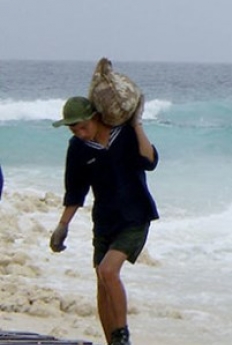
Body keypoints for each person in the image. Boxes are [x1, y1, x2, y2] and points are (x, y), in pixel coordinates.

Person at [49, 96, 158, 345]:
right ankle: (111, 341)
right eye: (73, 129)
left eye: (82, 126)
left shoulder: (126, 135)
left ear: (95, 118)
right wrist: (62, 226)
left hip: (136, 216)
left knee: (108, 271)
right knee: (101, 280)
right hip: (105, 221)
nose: (79, 133)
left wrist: (136, 124)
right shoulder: (78, 148)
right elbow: (75, 192)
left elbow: (149, 161)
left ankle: (121, 337)